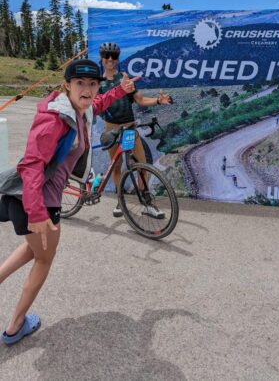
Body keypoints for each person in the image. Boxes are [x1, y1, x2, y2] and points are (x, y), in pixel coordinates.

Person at [0, 59, 138, 345]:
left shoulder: (79, 110)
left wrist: (120, 90)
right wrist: (37, 213)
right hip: (38, 203)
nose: (87, 90)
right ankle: (15, 326)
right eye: (80, 83)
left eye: (92, 84)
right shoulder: (56, 119)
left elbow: (97, 105)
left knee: (34, 249)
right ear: (67, 85)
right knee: (44, 260)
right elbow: (31, 165)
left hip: (29, 201)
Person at [98, 42, 173, 216]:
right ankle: (120, 201)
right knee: (116, 166)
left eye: (114, 56)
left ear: (117, 59)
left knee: (142, 166)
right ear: (102, 58)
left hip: (129, 126)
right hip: (111, 128)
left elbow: (139, 100)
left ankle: (147, 204)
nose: (110, 59)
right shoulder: (98, 82)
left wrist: (158, 101)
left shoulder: (125, 79)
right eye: (107, 56)